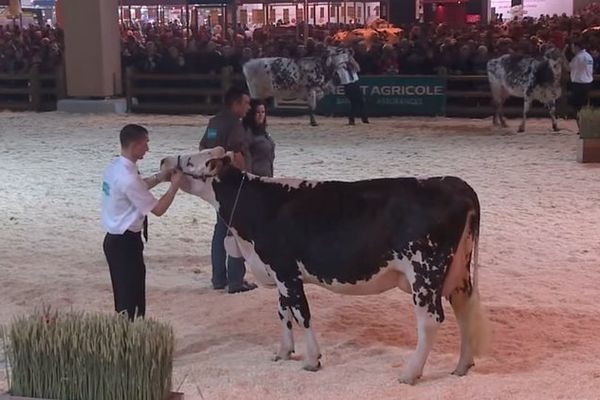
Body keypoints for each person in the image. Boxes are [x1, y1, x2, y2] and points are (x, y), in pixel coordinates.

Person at [101, 124, 182, 320]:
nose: (148, 148)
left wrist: (161, 177)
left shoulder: (114, 168)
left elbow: (140, 186)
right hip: (125, 242)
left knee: (126, 295)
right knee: (131, 302)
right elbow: (159, 210)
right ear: (135, 145)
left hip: (115, 239)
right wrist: (174, 187)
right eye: (145, 144)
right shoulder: (128, 178)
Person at [199, 86, 258, 294]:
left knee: (220, 230)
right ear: (236, 104)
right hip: (234, 185)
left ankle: (218, 277)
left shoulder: (214, 122)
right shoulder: (235, 125)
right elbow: (238, 156)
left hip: (217, 184)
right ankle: (235, 280)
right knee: (235, 232)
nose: (249, 107)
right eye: (246, 103)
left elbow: (203, 148)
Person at [243, 99, 275, 178]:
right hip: (254, 177)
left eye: (263, 112)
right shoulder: (247, 133)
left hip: (268, 176)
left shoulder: (264, 132)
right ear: (252, 114)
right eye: (258, 112)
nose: (261, 115)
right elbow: (245, 157)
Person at [569, 40, 594, 133]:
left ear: (577, 47)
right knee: (584, 106)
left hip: (579, 84)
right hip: (588, 83)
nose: (572, 49)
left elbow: (569, 67)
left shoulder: (578, 57)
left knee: (577, 108)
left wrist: (563, 57)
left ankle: (582, 128)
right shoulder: (589, 56)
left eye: (573, 47)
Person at [338, 51, 369, 126]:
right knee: (355, 103)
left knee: (361, 101)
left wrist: (352, 61)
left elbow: (358, 69)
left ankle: (363, 118)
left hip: (355, 83)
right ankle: (353, 119)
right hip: (348, 85)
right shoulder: (340, 66)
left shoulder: (351, 65)